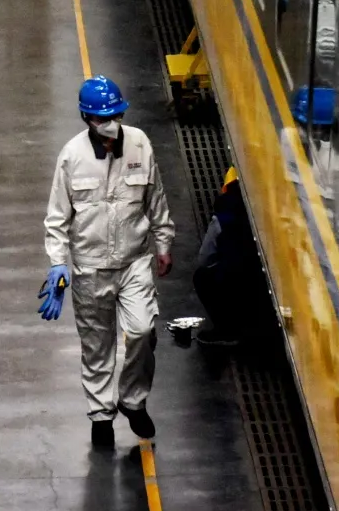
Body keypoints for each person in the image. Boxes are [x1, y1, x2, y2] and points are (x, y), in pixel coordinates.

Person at [38, 76, 175, 449]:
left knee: (143, 330)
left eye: (115, 115)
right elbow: (57, 217)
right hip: (89, 268)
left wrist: (163, 242)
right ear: (87, 118)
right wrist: (58, 264)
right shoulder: (71, 157)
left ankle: (133, 400)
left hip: (134, 263)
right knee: (97, 345)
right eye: (102, 118)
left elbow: (155, 198)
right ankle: (101, 415)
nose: (110, 123)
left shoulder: (140, 145)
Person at [192, 167, 265, 347]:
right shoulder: (268, 202)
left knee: (202, 277)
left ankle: (226, 331)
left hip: (238, 281)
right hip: (265, 284)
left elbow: (204, 259)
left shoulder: (224, 215)